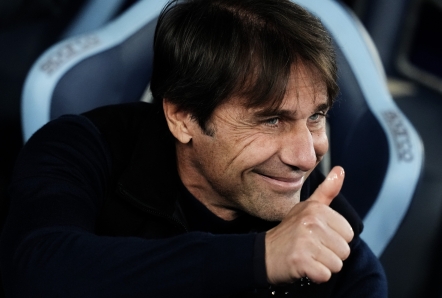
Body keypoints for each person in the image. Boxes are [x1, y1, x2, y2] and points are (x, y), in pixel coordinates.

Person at [0, 0, 388, 296]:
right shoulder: (81, 147)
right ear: (182, 117)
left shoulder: (333, 242)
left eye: (316, 117)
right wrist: (259, 258)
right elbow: (38, 269)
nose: (305, 158)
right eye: (271, 120)